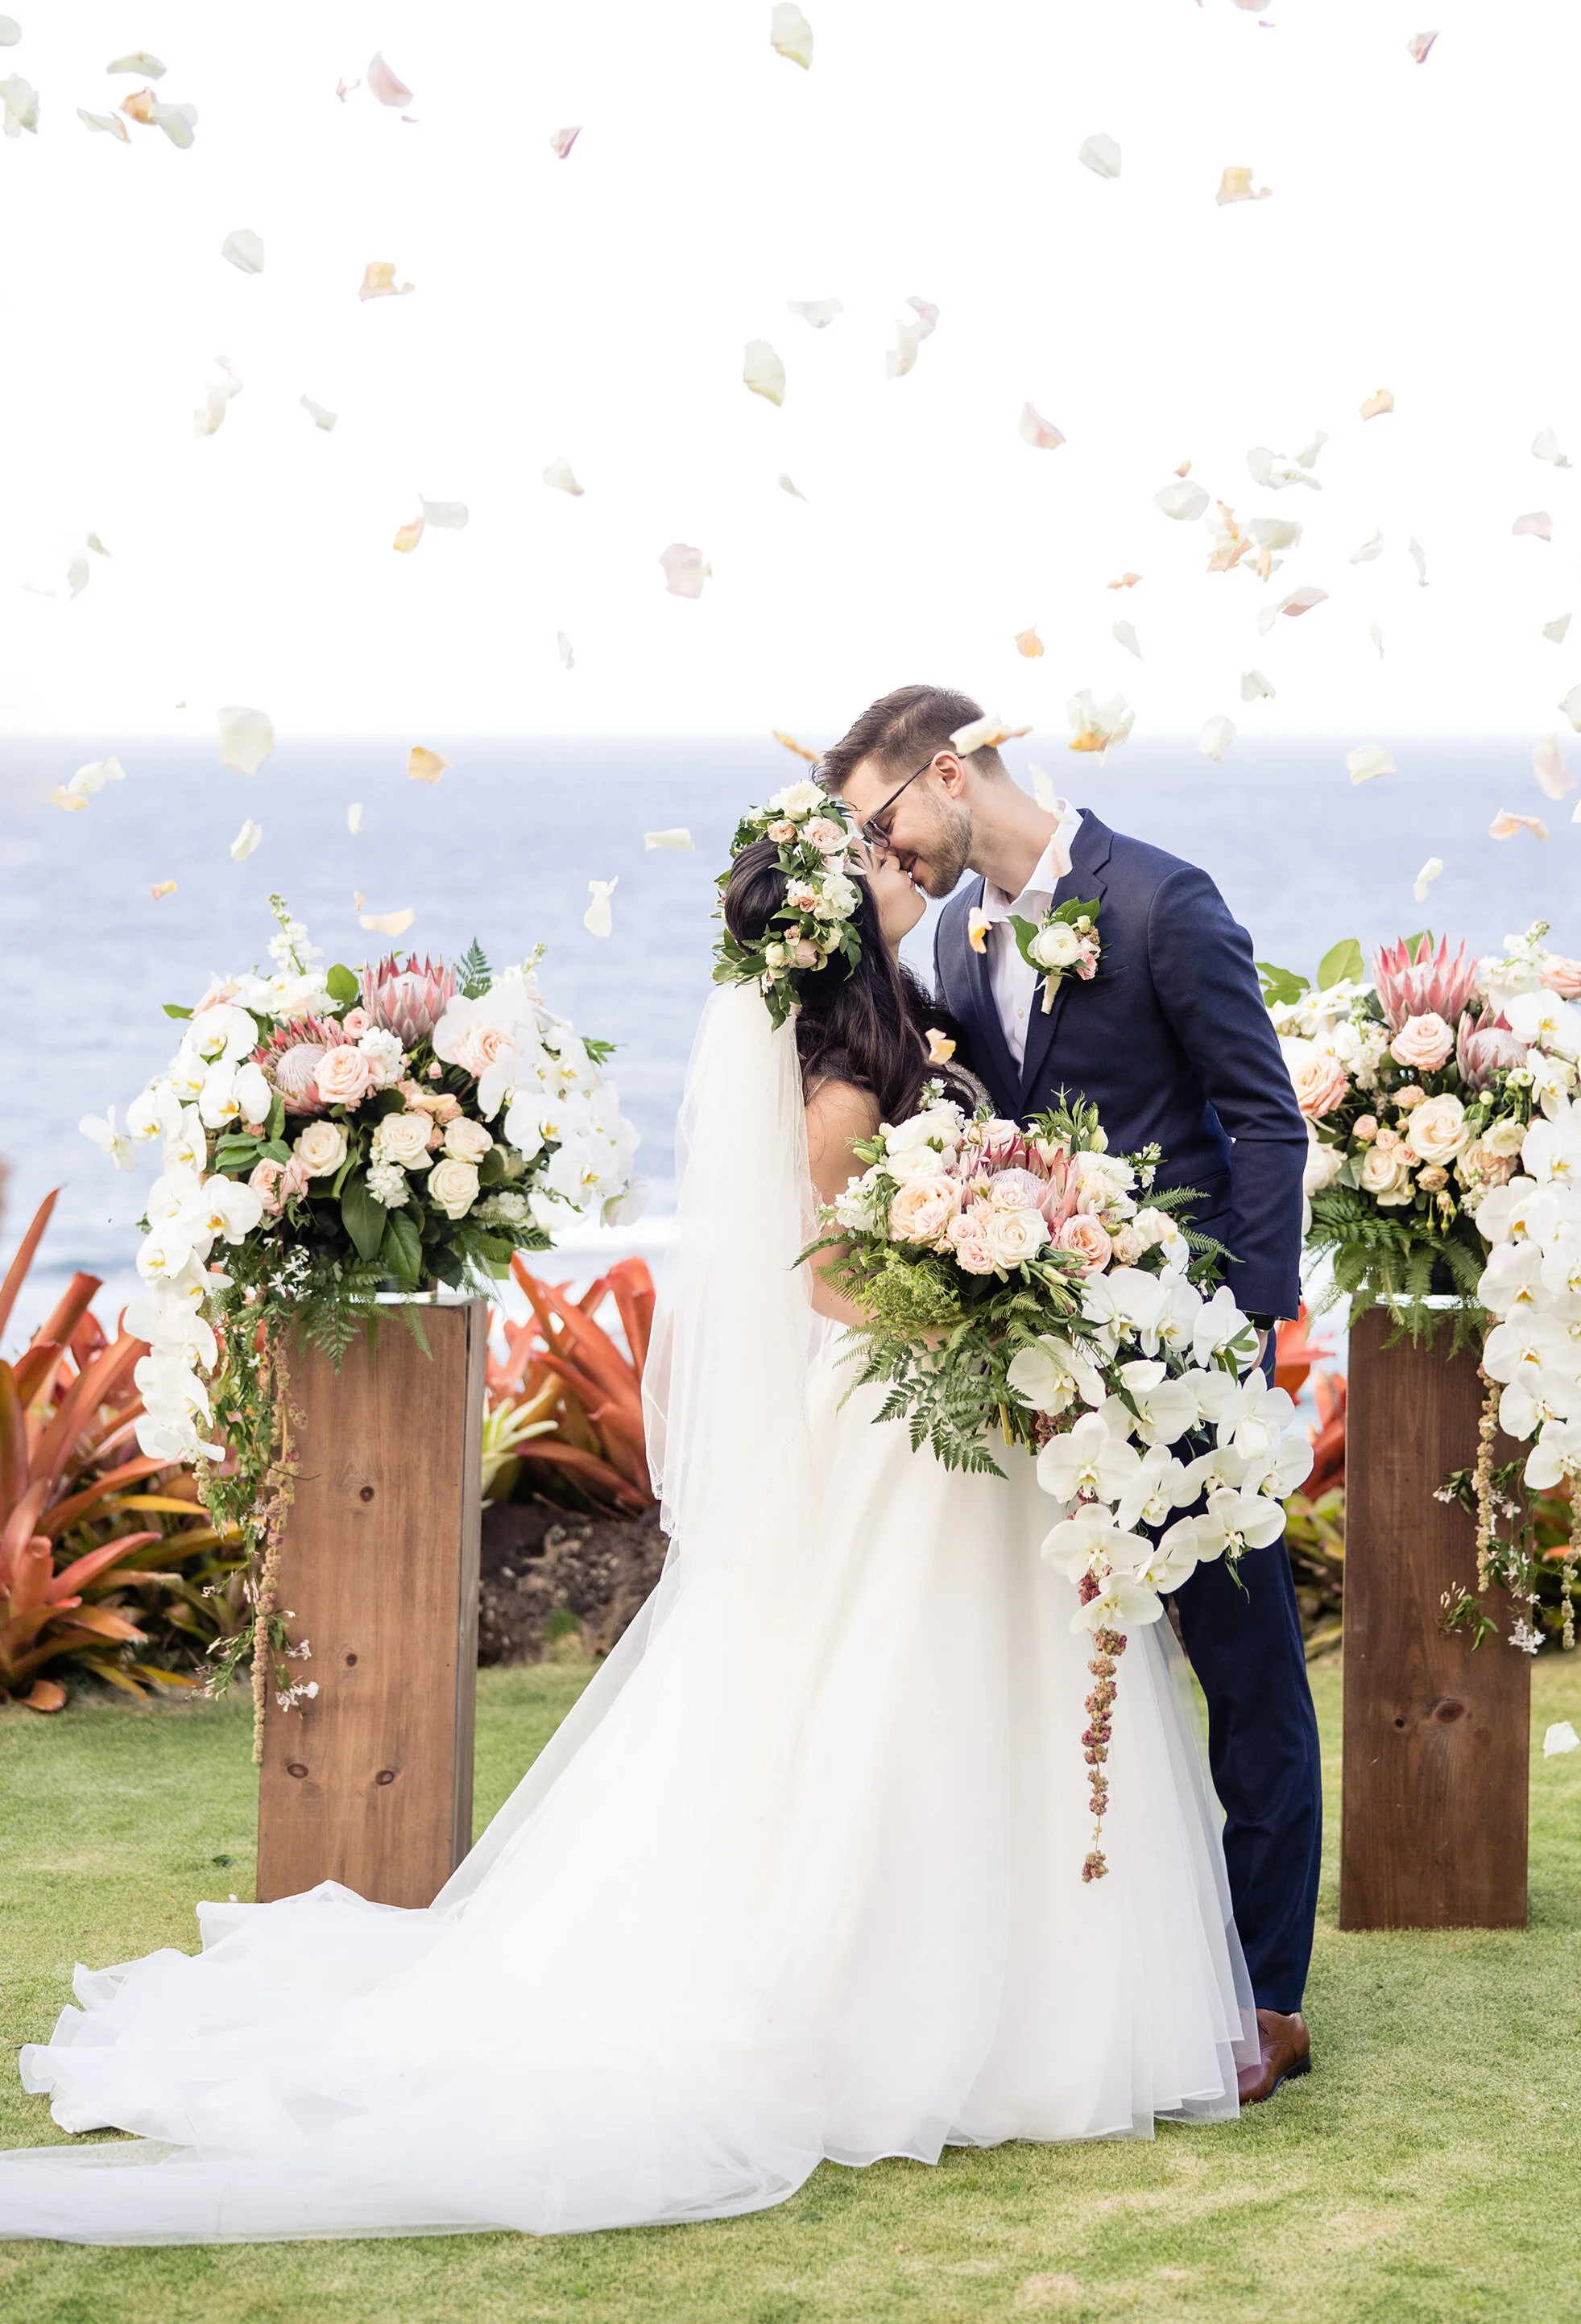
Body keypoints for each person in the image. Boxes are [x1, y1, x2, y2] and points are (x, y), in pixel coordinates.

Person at [0, 779, 1260, 2249]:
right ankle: (904, 2003)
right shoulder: (847, 1080)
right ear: (844, 917)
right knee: (897, 1699)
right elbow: (830, 1278)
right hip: (900, 1420)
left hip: (947, 1423)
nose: (899, 857)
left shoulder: (902, 1032)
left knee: (966, 1697)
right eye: (870, 855)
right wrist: (976, 1318)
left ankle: (1020, 1996)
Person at [822, 687, 1318, 2103]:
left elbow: (1262, 1115)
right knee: (1065, 1673)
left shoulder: (1162, 901)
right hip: (1050, 1372)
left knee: (1247, 1671)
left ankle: (1269, 1996)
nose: (886, 853)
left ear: (952, 771)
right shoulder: (968, 942)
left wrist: (1240, 1330)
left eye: (884, 820)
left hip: (1191, 1358)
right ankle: (1104, 1975)